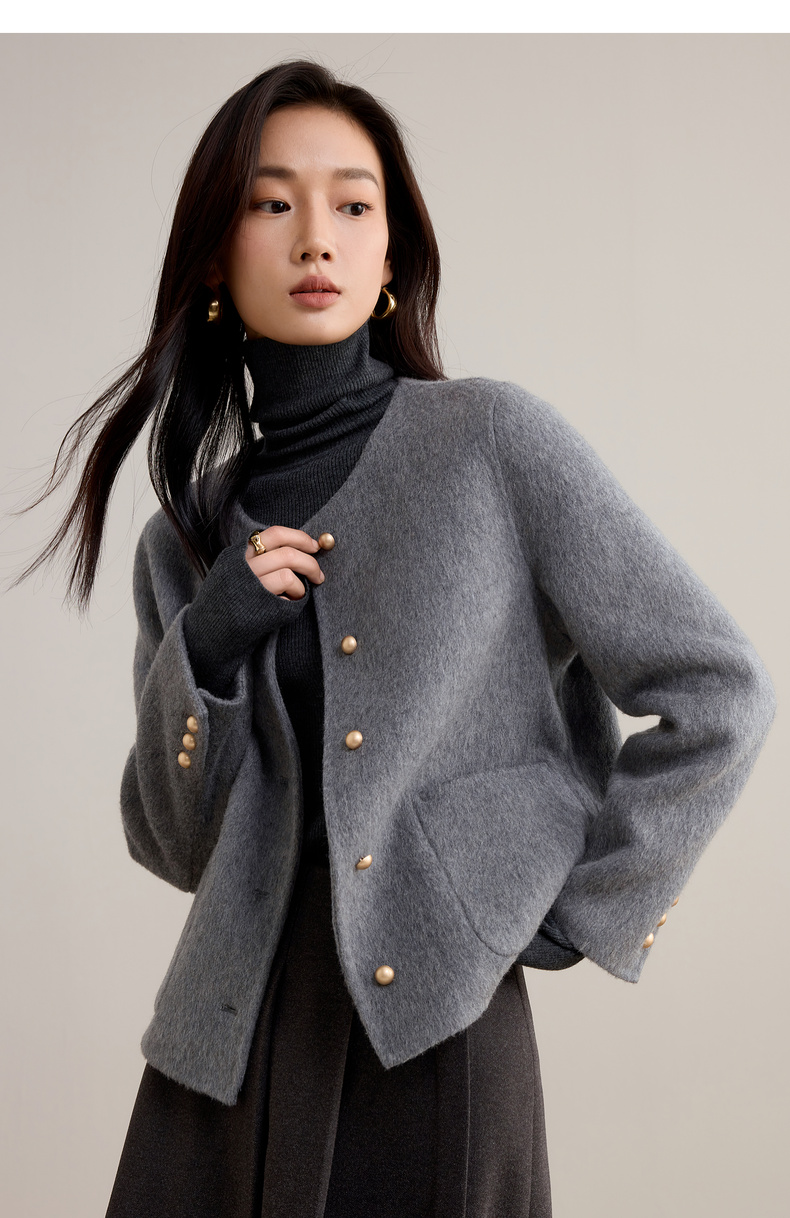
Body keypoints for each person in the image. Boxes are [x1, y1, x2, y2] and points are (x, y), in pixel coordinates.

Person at [13, 59, 776, 1218]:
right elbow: (176, 845)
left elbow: (719, 690)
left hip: (430, 1036)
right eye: (273, 202)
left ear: (389, 254)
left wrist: (581, 908)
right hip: (223, 1050)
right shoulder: (187, 538)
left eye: (352, 204)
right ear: (214, 257)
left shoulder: (490, 442)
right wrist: (208, 646)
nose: (315, 237)